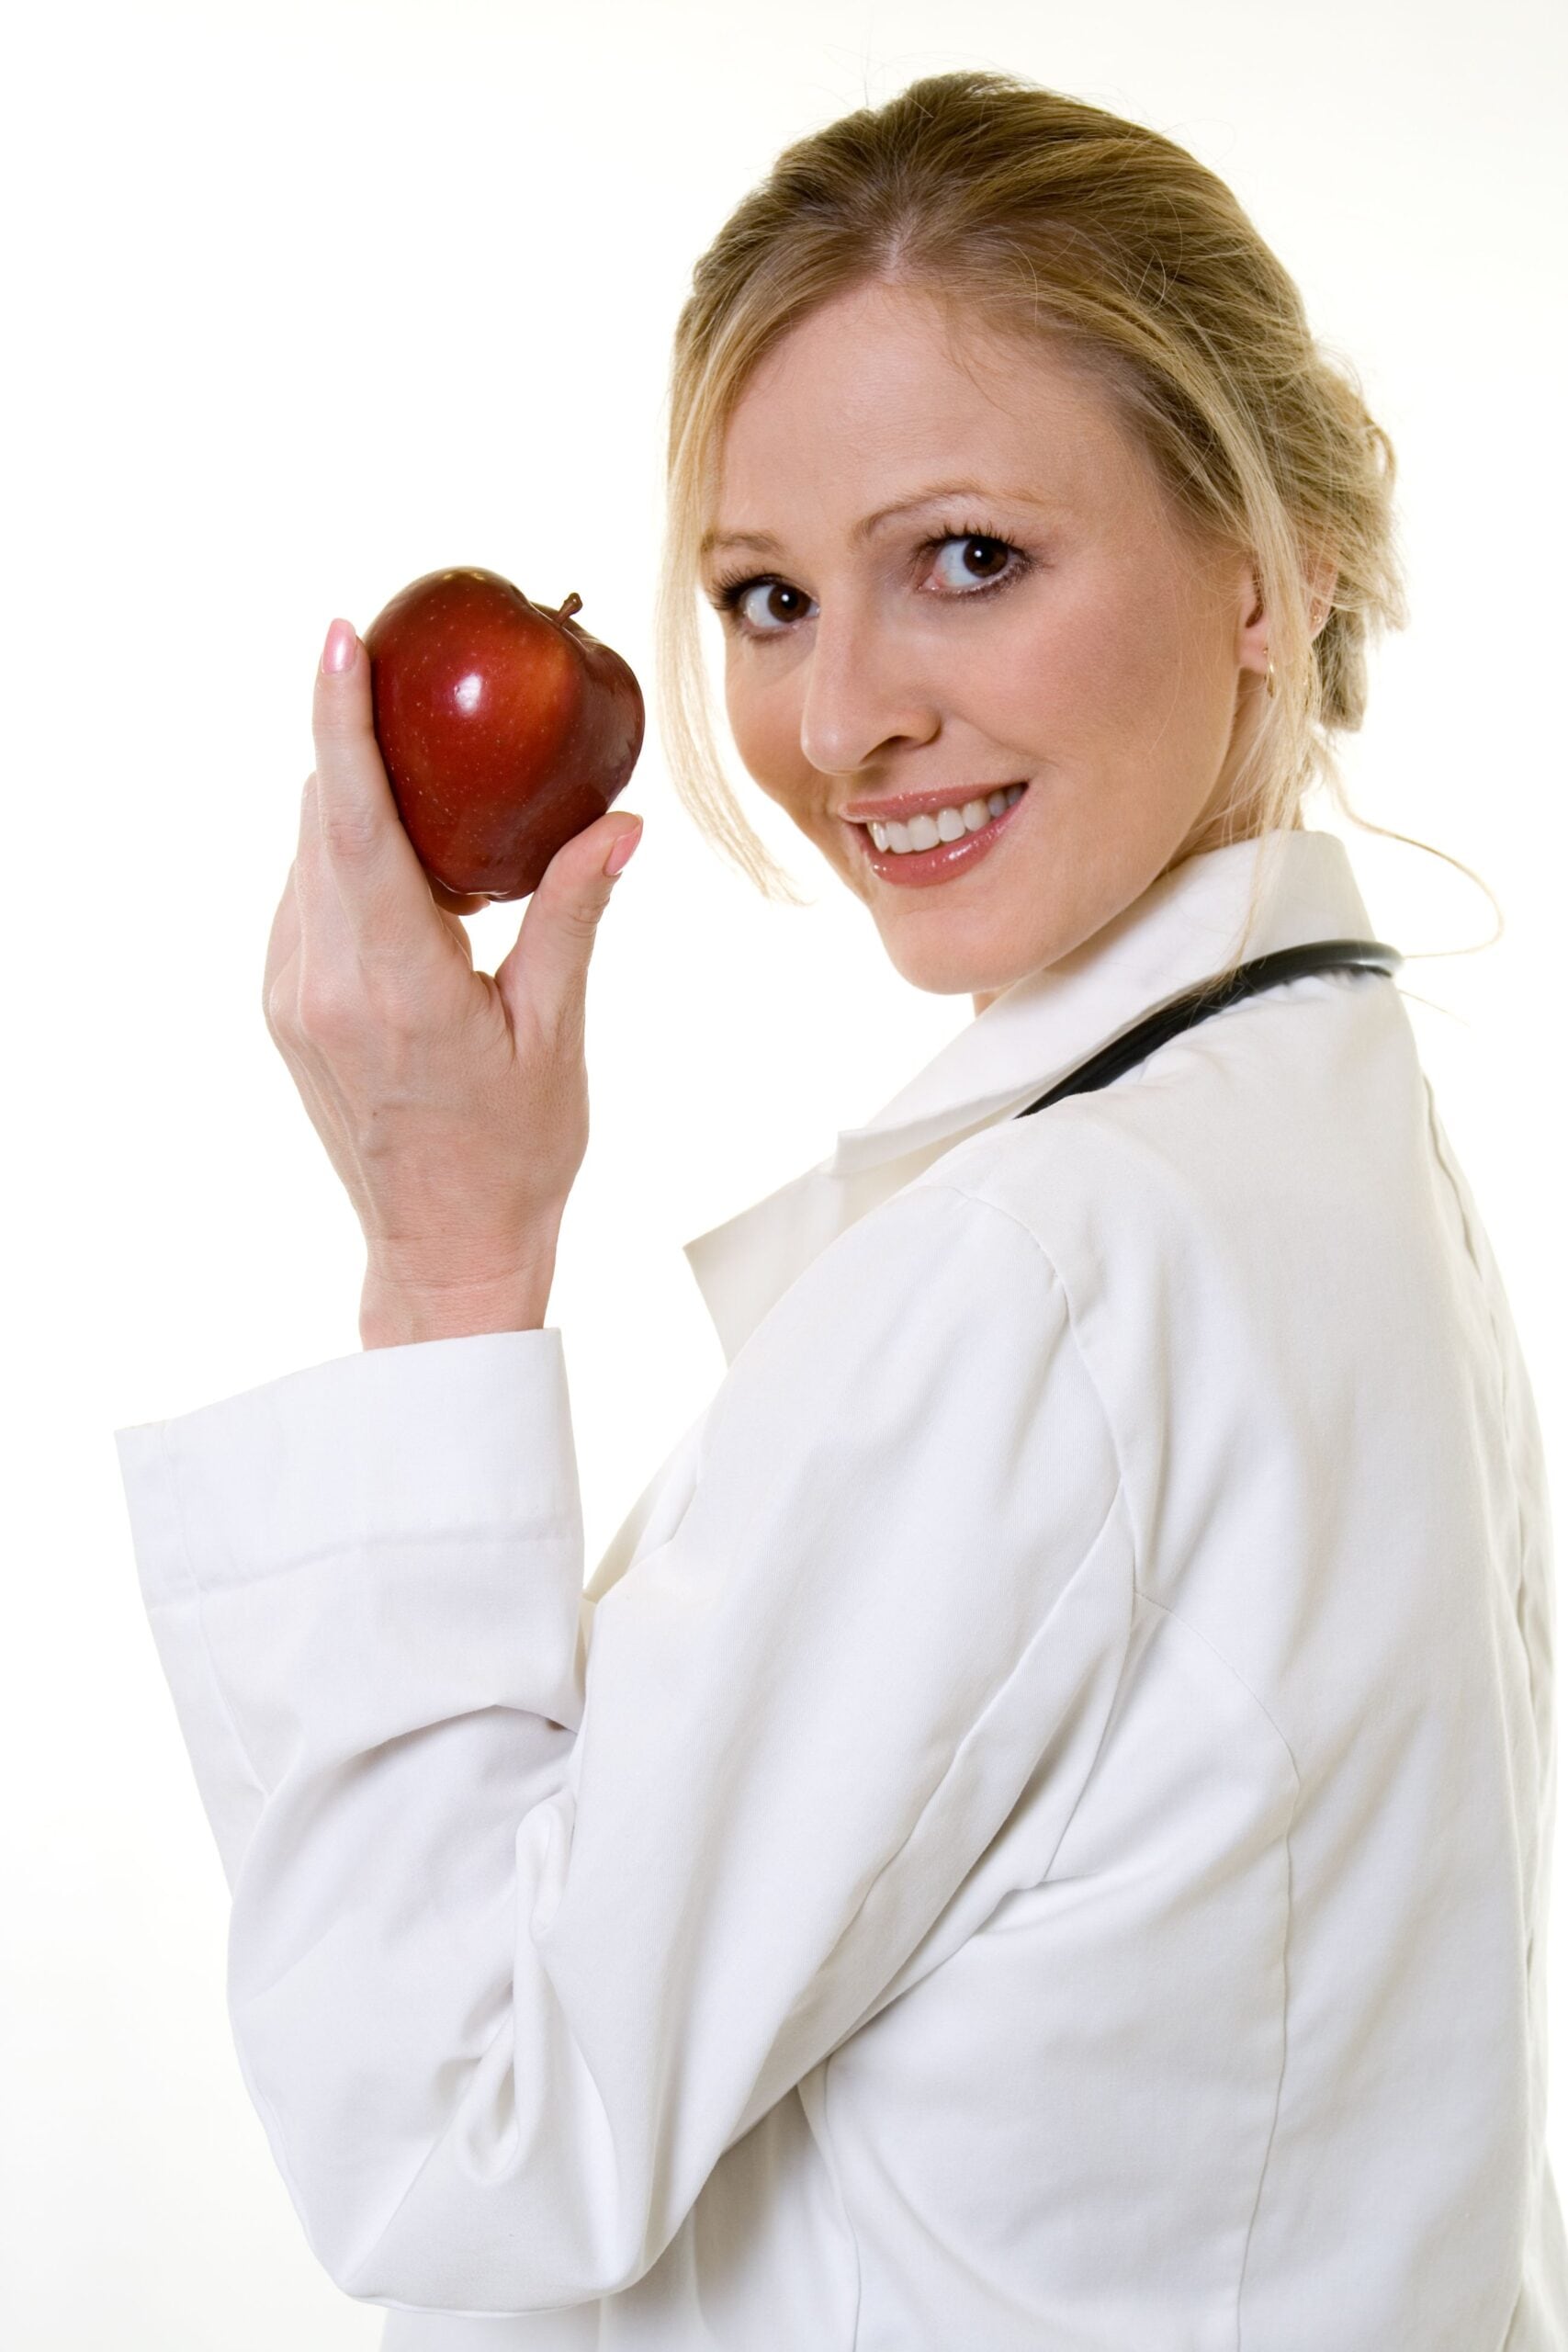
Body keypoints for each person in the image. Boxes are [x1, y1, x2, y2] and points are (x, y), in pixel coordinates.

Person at [113, 67, 1566, 2351]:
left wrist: (446, 1252)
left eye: (967, 558)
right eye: (767, 597)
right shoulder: (1319, 1131)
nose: (840, 714)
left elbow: (465, 2140)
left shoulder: (1053, 1270)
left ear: (1264, 569)